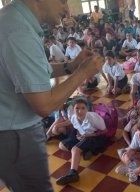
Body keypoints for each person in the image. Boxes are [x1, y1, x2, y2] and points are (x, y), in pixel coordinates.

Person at [0, 0, 103, 191]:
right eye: (63, 1)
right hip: (15, 134)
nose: (66, 9)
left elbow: (36, 71)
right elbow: (45, 105)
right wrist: (82, 73)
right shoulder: (19, 32)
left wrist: (70, 66)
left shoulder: (12, 19)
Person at [56, 97, 107, 185]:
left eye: (83, 108)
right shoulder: (73, 117)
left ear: (87, 109)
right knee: (61, 145)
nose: (80, 111)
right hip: (84, 136)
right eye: (77, 108)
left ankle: (73, 173)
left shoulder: (93, 117)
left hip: (95, 137)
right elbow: (75, 125)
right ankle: (85, 151)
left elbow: (105, 131)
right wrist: (79, 135)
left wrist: (88, 135)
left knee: (74, 149)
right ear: (73, 109)